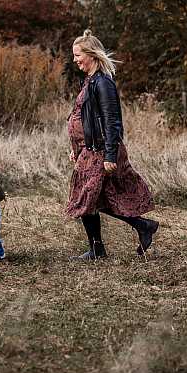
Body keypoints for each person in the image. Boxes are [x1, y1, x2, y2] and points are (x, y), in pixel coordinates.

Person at [65, 30, 158, 260]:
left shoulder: (103, 83)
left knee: (87, 198)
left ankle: (138, 228)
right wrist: (76, 148)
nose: (75, 60)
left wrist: (110, 154)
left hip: (100, 150)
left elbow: (111, 120)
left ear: (92, 55)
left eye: (78, 55)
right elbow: (84, 118)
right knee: (93, 197)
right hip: (89, 149)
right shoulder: (90, 81)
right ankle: (131, 232)